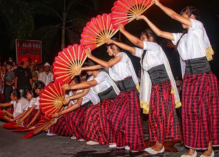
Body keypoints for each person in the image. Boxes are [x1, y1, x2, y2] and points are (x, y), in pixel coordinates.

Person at [141, 1, 219, 157]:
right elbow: (161, 33)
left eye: (183, 15)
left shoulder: (197, 26)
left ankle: (208, 149)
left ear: (191, 17)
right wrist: (144, 18)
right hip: (189, 78)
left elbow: (172, 15)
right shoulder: (181, 37)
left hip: (202, 74)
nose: (179, 18)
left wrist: (157, 3)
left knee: (204, 112)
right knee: (188, 114)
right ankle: (192, 149)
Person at [115, 25, 181, 154]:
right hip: (156, 87)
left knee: (160, 114)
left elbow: (137, 43)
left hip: (163, 85)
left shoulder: (154, 46)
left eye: (144, 38)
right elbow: (131, 49)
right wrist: (113, 41)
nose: (142, 41)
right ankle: (158, 142)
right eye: (141, 39)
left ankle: (160, 144)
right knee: (154, 115)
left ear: (150, 38)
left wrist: (123, 30)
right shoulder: (145, 53)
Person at [80, 39, 145, 152]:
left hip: (131, 91)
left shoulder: (122, 55)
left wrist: (90, 56)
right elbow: (101, 65)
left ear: (113, 47)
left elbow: (106, 64)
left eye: (108, 48)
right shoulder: (113, 60)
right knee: (112, 116)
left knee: (131, 119)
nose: (107, 50)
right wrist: (82, 69)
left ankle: (134, 144)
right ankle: (122, 140)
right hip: (123, 93)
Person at [64, 64, 120, 146]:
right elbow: (83, 92)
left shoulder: (102, 74)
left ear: (92, 66)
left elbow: (90, 84)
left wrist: (70, 87)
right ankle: (96, 137)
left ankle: (111, 139)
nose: (86, 71)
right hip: (104, 102)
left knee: (95, 111)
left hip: (114, 100)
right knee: (91, 111)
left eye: (87, 68)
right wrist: (70, 98)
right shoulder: (90, 78)